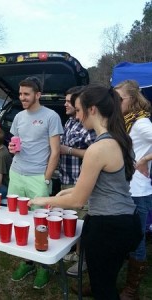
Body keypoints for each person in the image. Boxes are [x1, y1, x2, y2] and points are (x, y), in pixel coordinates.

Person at [29, 84, 142, 299]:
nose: (77, 117)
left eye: (79, 110)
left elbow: (78, 201)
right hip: (125, 222)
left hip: (110, 228)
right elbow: (107, 184)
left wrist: (44, 200)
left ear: (92, 110)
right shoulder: (119, 139)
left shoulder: (97, 149)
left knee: (104, 290)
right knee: (106, 280)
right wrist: (67, 191)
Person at [8, 77, 63, 289]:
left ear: (37, 95)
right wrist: (13, 148)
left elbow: (55, 151)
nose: (22, 97)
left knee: (40, 222)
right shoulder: (19, 116)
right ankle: (27, 261)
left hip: (38, 176)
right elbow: (13, 142)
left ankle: (43, 266)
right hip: (17, 173)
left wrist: (47, 178)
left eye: (26, 94)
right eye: (20, 94)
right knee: (18, 217)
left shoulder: (51, 116)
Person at [114, 80, 152, 299]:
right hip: (124, 188)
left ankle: (132, 289)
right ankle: (108, 280)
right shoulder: (124, 121)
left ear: (133, 99)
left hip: (138, 191)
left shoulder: (140, 123)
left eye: (120, 98)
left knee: (136, 241)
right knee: (120, 238)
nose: (116, 102)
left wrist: (145, 159)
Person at [59, 86, 96, 276]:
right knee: (72, 219)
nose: (65, 104)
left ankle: (84, 261)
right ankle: (76, 253)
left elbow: (94, 153)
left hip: (80, 180)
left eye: (68, 101)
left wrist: (69, 150)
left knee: (82, 223)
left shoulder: (86, 124)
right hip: (66, 178)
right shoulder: (69, 122)